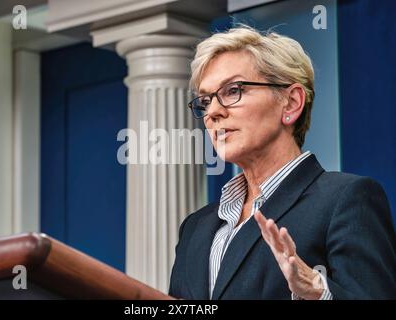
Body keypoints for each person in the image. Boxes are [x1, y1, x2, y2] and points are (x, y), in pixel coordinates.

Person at [168, 25, 396, 300]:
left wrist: (318, 293)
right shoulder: (195, 226)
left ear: (290, 103)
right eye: (205, 101)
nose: (213, 112)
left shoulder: (347, 200)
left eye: (233, 90)